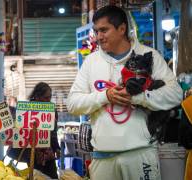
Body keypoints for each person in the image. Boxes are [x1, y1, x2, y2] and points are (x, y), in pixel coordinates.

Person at [67, 5, 183, 180]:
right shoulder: (91, 62)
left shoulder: (148, 55)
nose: (98, 37)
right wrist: (105, 96)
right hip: (102, 157)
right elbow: (73, 104)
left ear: (122, 29)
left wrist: (140, 97)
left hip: (141, 153)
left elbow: (175, 94)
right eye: (96, 31)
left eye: (104, 30)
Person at [7, 82, 60, 179]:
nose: (49, 100)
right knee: (35, 176)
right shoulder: (26, 109)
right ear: (37, 96)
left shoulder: (52, 110)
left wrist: (57, 148)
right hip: (32, 153)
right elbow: (19, 130)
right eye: (46, 98)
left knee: (52, 176)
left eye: (50, 97)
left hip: (48, 154)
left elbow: (53, 133)